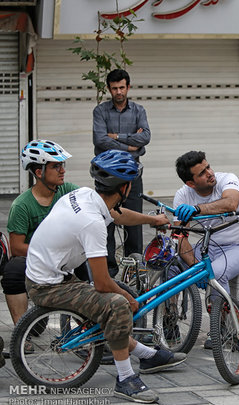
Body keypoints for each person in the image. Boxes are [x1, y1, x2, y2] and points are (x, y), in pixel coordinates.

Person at [25, 150, 186, 403]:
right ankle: (125, 379)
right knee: (118, 304)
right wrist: (126, 297)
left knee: (114, 299)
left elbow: (116, 214)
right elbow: (102, 282)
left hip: (48, 272)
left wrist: (151, 220)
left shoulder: (84, 195)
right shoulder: (91, 222)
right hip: (48, 285)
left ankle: (147, 354)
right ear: (125, 186)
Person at [2, 140, 82, 357]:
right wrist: (49, 253)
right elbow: (17, 247)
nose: (62, 170)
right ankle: (23, 332)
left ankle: (87, 329)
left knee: (90, 263)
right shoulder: (22, 205)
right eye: (56, 166)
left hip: (66, 259)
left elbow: (92, 203)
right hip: (37, 263)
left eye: (62, 165)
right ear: (39, 171)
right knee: (12, 270)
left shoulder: (68, 191)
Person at [170, 151, 239, 348]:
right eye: (202, 173)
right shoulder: (183, 194)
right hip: (207, 248)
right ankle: (169, 321)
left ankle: (219, 328)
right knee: (171, 266)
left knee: (215, 274)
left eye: (208, 167)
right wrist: (194, 265)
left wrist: (198, 209)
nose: (210, 173)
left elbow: (231, 202)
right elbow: (180, 235)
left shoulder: (228, 179)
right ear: (190, 183)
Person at [93, 69, 151, 276]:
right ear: (109, 89)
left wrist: (116, 136)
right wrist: (130, 147)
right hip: (106, 176)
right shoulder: (100, 112)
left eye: (122, 87)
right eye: (114, 88)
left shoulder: (138, 111)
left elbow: (145, 138)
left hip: (132, 174)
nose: (118, 92)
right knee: (105, 218)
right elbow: (100, 140)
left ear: (128, 87)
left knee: (134, 219)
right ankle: (108, 268)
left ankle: (135, 266)